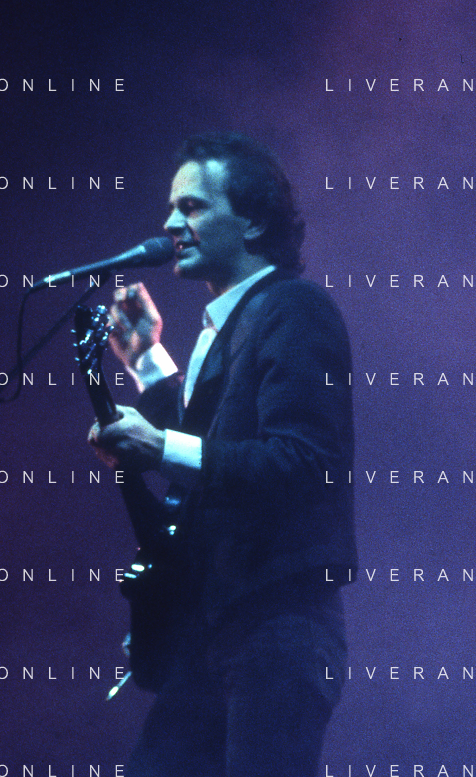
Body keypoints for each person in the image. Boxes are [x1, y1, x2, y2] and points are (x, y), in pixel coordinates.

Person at [89, 132, 356, 776]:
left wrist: (160, 446)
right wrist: (147, 363)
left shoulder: (295, 308)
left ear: (254, 220)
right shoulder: (231, 323)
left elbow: (303, 461)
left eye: (192, 206)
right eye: (171, 207)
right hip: (212, 633)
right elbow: (215, 443)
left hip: (277, 628)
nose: (169, 223)